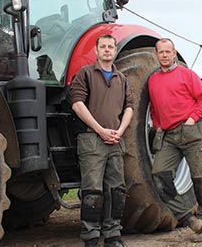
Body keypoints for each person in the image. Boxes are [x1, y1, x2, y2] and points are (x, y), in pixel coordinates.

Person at [148, 38, 202, 242]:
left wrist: (192, 119)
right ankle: (187, 217)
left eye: (168, 51)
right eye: (161, 52)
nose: (165, 55)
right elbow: (154, 107)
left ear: (174, 53)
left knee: (200, 177)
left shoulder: (187, 75)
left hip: (191, 132)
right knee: (159, 175)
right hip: (169, 136)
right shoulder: (153, 80)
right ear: (156, 55)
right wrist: (158, 125)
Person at [70, 34, 134, 247]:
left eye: (110, 47)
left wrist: (119, 131)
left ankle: (113, 235)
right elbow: (77, 104)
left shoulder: (122, 79)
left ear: (115, 50)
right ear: (96, 51)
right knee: (92, 190)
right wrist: (100, 130)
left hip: (115, 140)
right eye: (103, 47)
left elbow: (129, 107)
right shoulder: (85, 74)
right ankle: (90, 238)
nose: (107, 50)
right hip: (92, 139)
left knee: (116, 190)